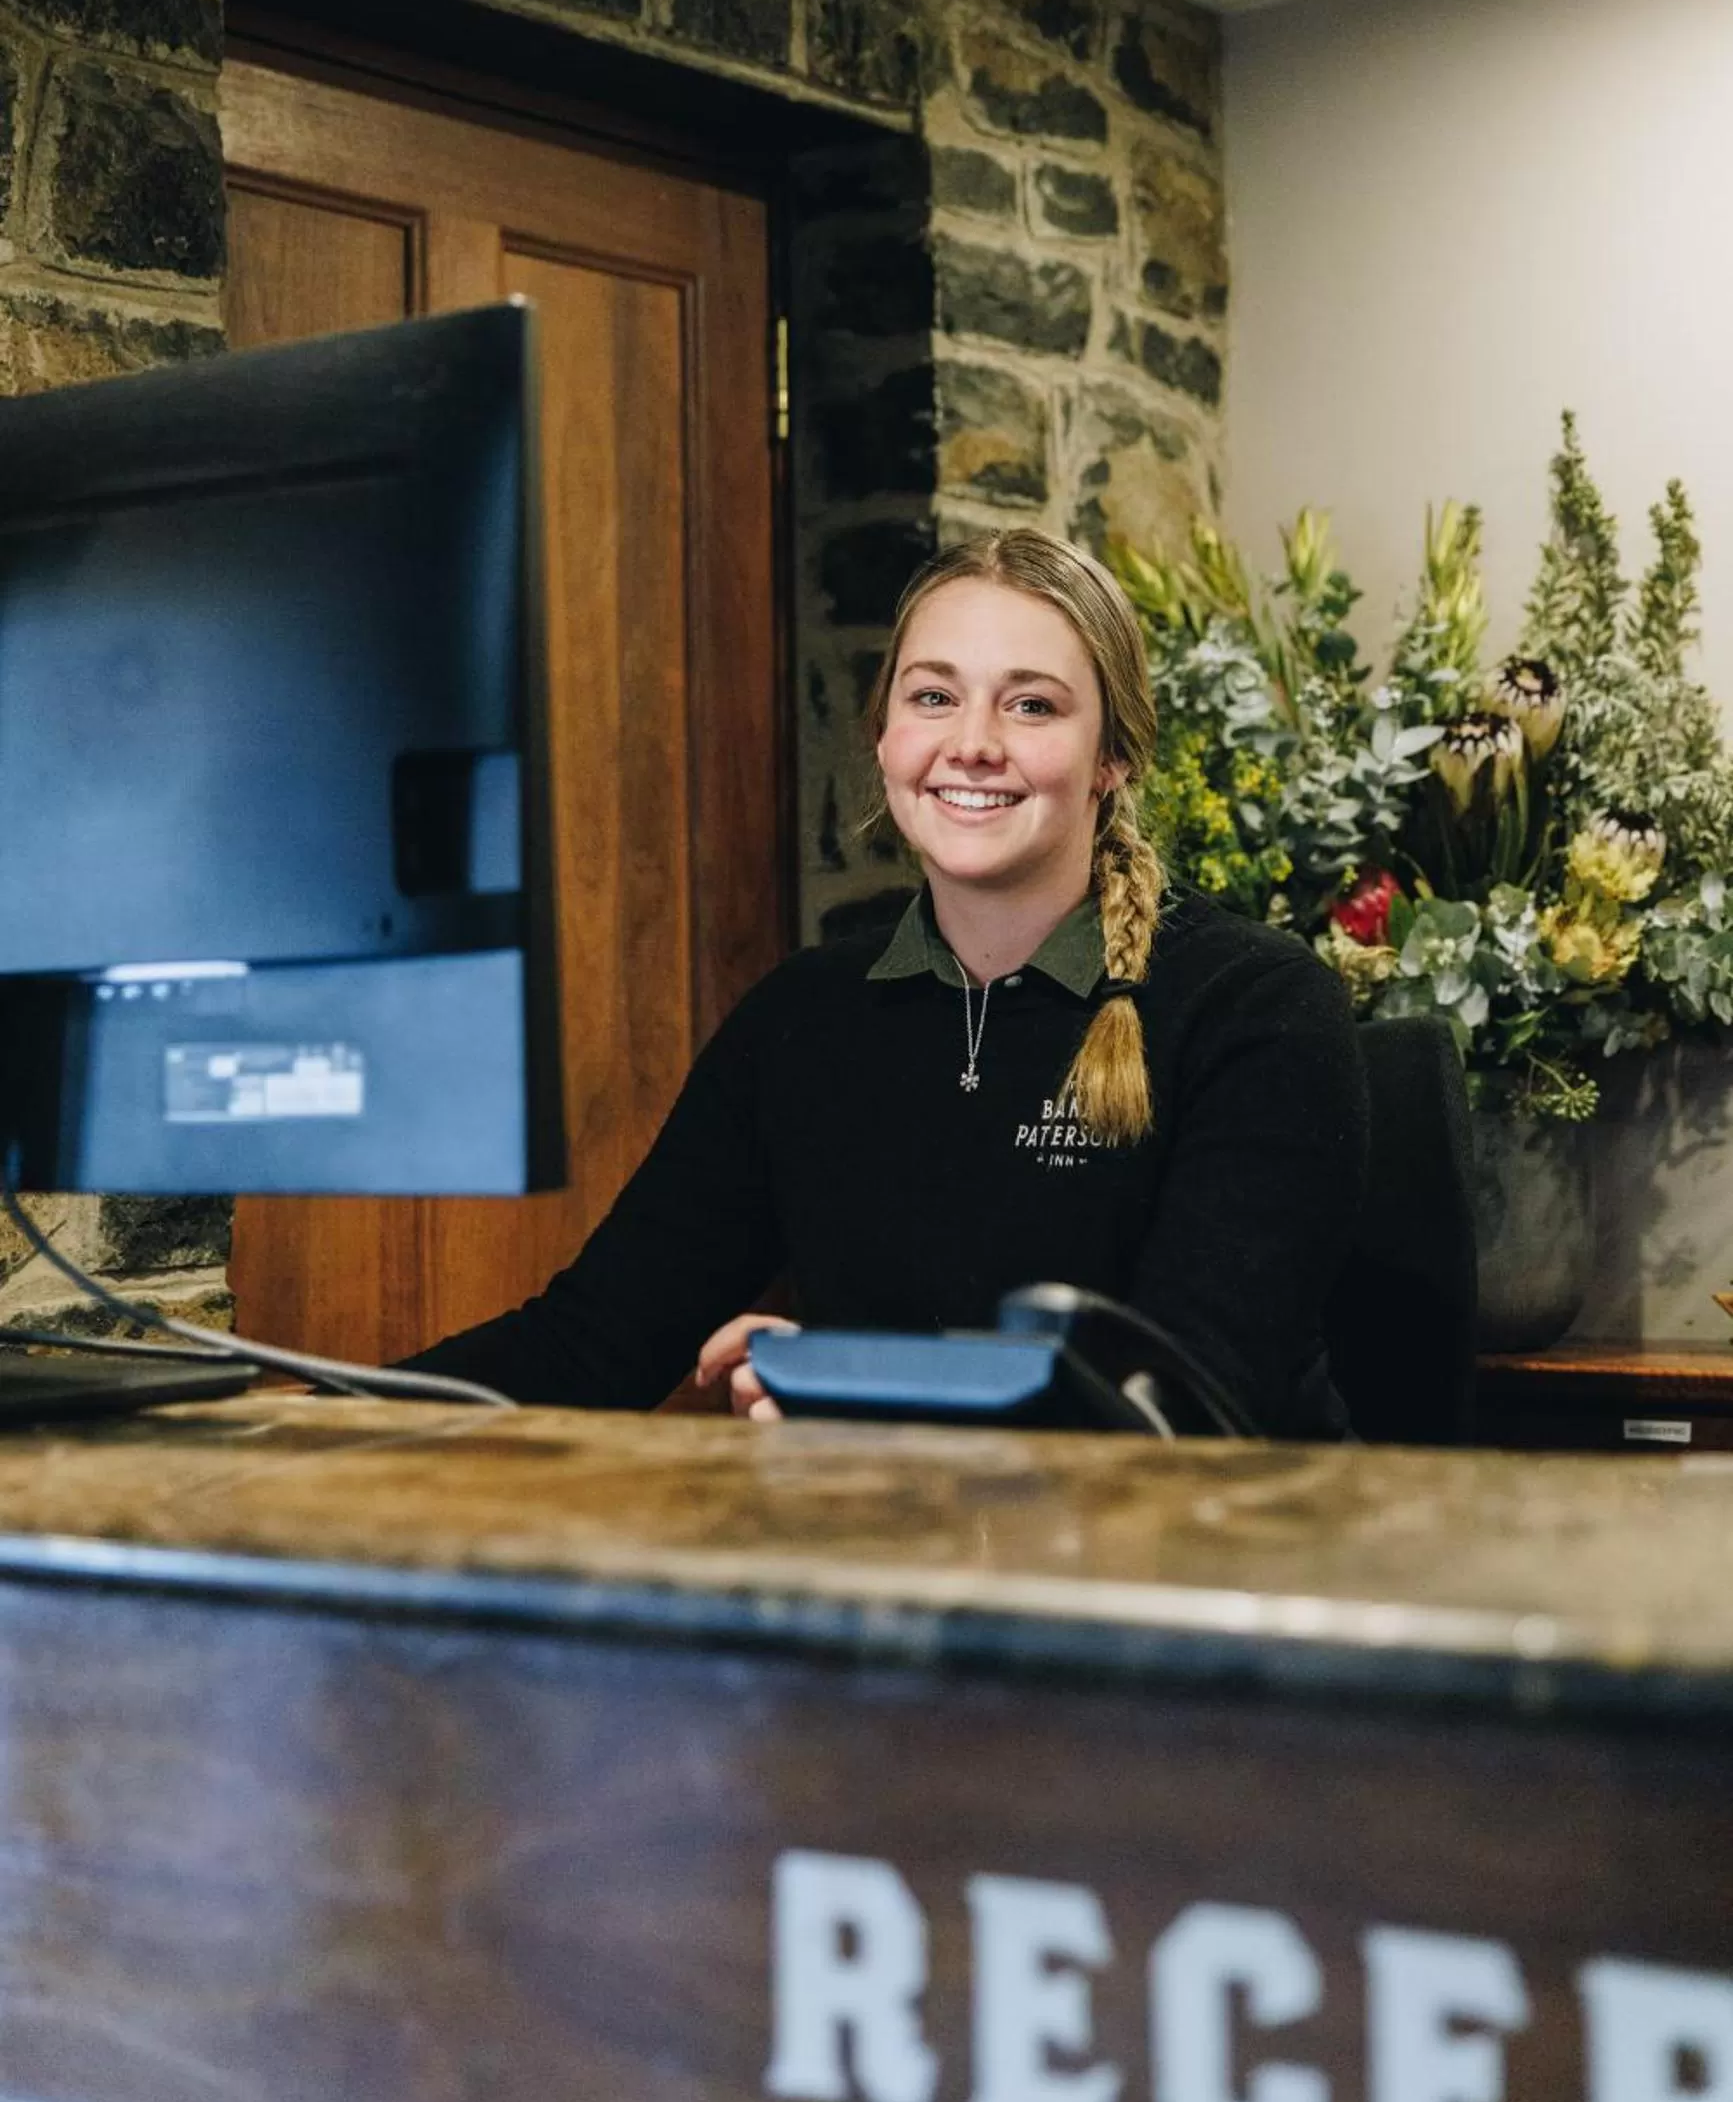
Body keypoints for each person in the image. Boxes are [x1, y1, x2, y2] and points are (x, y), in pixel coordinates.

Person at [404, 529, 1367, 1436]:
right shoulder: (800, 1021)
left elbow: (1183, 1411)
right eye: (933, 697)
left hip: (1202, 1580)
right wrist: (300, 1419)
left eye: (1031, 704)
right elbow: (594, 1342)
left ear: (1111, 756)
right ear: (882, 735)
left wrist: (864, 1395)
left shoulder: (1257, 1006)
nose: (973, 743)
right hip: (908, 1576)